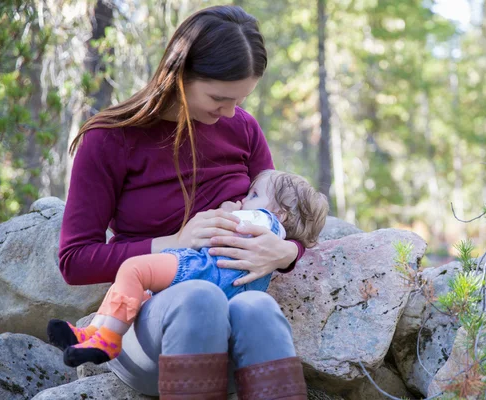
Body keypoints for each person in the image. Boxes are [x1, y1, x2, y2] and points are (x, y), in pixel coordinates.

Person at [57, 5, 322, 399]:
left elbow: (288, 212)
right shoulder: (109, 140)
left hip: (242, 343)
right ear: (180, 75)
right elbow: (75, 260)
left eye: (240, 99)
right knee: (200, 297)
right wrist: (175, 242)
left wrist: (283, 251)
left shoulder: (242, 128)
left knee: (259, 308)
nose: (231, 112)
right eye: (219, 97)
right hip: (150, 336)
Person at [48, 170, 328, 369]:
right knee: (140, 294)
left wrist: (228, 209)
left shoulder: (261, 220)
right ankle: (93, 333)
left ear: (278, 214)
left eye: (253, 194)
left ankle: (107, 338)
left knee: (134, 270)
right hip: (226, 295)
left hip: (201, 269)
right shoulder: (272, 233)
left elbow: (229, 222)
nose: (244, 198)